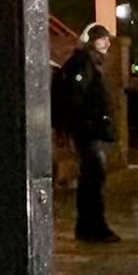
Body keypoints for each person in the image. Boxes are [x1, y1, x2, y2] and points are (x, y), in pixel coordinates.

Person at [57, 23, 119, 243]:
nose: (107, 43)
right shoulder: (83, 62)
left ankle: (90, 226)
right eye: (102, 38)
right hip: (87, 132)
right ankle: (93, 227)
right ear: (92, 40)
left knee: (93, 178)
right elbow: (77, 98)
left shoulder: (92, 62)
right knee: (92, 180)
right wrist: (83, 125)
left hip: (90, 130)